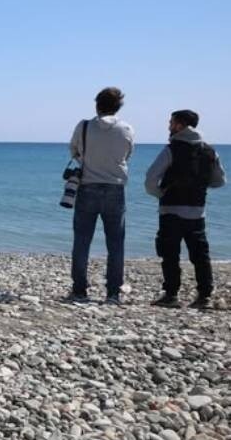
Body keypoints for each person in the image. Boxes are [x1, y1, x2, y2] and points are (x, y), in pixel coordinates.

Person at [144, 110, 226, 309]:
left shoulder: (171, 149)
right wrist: (199, 187)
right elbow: (220, 181)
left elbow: (150, 179)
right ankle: (204, 296)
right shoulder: (209, 151)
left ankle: (171, 295)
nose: (169, 127)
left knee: (170, 254)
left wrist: (160, 194)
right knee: (200, 255)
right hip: (197, 211)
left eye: (171, 123)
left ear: (180, 125)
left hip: (171, 209)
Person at [68, 87, 135, 304]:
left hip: (88, 186)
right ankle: (113, 292)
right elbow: (127, 154)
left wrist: (88, 160)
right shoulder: (126, 128)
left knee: (82, 241)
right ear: (118, 107)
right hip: (115, 188)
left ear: (97, 105)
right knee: (115, 243)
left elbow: (74, 150)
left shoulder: (84, 126)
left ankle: (79, 289)